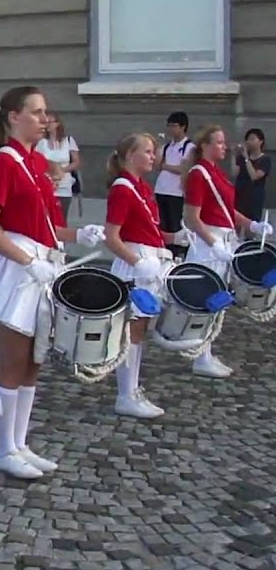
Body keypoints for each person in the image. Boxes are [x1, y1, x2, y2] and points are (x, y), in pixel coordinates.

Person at [0, 87, 106, 481]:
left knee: (34, 360)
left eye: (46, 112)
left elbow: (48, 226)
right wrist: (28, 262)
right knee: (13, 361)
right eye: (37, 112)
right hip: (19, 268)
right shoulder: (4, 161)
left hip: (42, 263)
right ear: (14, 116)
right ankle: (4, 449)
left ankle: (20, 442)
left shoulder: (37, 161)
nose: (45, 119)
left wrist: (80, 234)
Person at [182, 125, 271, 379]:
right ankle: (201, 356)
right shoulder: (199, 173)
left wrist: (252, 225)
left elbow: (227, 210)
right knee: (207, 298)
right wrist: (213, 243)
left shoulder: (216, 172)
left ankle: (206, 352)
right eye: (219, 142)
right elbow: (192, 217)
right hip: (209, 243)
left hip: (223, 240)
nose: (225, 146)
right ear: (205, 146)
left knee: (218, 299)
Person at [104, 133, 178, 419]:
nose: (153, 156)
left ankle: (132, 389)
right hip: (134, 265)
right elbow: (112, 237)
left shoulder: (142, 187)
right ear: (129, 155)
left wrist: (173, 238)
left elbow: (147, 228)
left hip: (148, 262)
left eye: (153, 151)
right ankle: (125, 394)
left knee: (140, 330)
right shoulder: (123, 188)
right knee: (132, 331)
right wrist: (137, 262)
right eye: (147, 151)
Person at [154, 112, 192, 253]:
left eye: (174, 126)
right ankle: (165, 251)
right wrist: (158, 147)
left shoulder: (189, 147)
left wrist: (166, 166)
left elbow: (183, 169)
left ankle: (177, 252)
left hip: (176, 192)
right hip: (161, 189)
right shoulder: (167, 147)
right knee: (163, 225)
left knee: (175, 225)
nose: (170, 129)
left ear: (183, 127)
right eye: (169, 126)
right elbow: (157, 165)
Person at [36, 114, 81, 220]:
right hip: (48, 184)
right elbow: (37, 161)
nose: (47, 125)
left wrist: (60, 170)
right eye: (46, 122)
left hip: (64, 184)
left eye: (50, 122)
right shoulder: (41, 142)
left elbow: (76, 162)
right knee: (47, 217)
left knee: (62, 217)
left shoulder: (68, 141)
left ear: (57, 124)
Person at [234, 128, 270, 223]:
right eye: (248, 139)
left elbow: (254, 176)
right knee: (236, 224)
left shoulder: (265, 160)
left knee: (251, 226)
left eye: (252, 139)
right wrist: (235, 155)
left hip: (254, 199)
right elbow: (234, 173)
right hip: (239, 195)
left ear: (261, 141)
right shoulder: (241, 157)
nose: (249, 142)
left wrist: (247, 158)